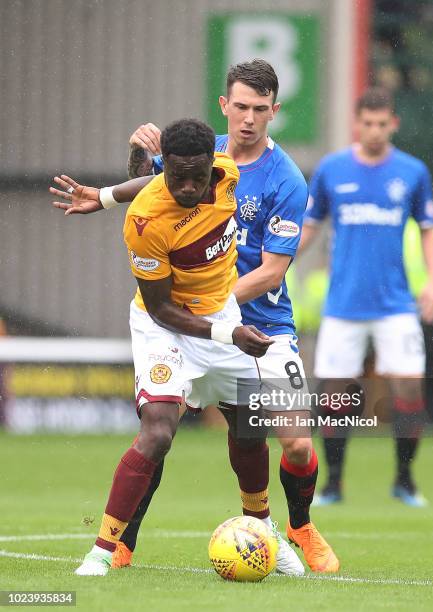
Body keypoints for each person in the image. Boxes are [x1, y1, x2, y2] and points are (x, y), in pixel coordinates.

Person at [55, 60, 340, 575]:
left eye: (260, 109)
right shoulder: (201, 160)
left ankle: (292, 526)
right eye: (241, 108)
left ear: (274, 112)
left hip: (261, 323)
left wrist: (215, 305)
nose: (249, 119)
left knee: (291, 441)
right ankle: (114, 546)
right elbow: (150, 188)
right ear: (224, 107)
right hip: (191, 320)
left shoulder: (283, 180)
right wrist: (102, 193)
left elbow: (273, 272)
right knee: (159, 429)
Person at [51, 118, 276, 576]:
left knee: (251, 426)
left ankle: (263, 529)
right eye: (178, 177)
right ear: (165, 167)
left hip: (221, 312)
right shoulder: (144, 222)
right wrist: (228, 335)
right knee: (157, 433)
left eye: (198, 175)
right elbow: (160, 309)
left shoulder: (227, 171)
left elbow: (157, 179)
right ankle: (103, 550)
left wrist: (107, 193)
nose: (189, 187)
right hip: (167, 325)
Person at [299, 87, 433, 507]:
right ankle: (333, 484)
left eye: (382, 124)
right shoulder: (331, 169)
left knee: (409, 388)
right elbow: (310, 226)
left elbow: (428, 231)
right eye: (368, 123)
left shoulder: (413, 172)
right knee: (334, 395)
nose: (375, 130)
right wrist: (279, 265)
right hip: (343, 305)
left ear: (393, 124)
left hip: (396, 304)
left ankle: (404, 479)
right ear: (356, 123)